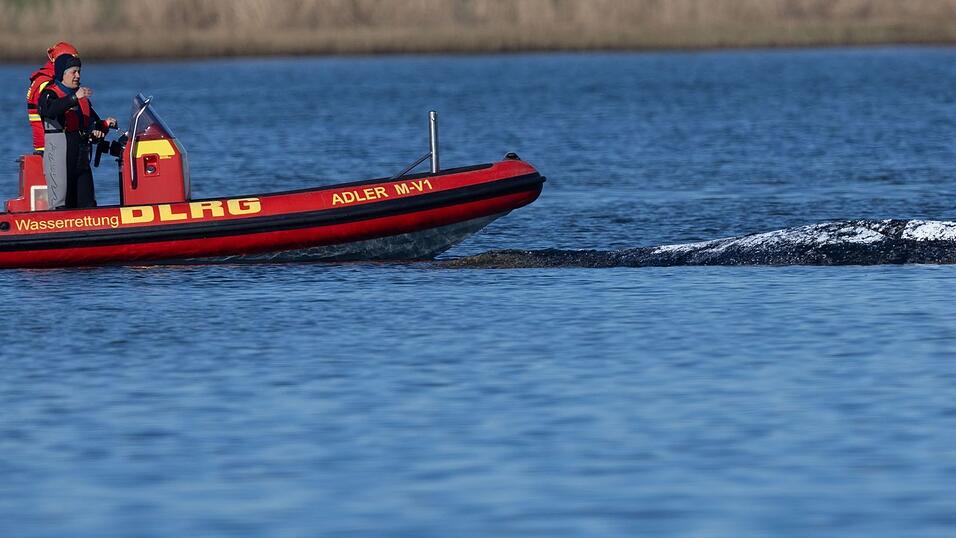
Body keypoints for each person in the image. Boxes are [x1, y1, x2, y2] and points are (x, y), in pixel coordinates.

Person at [38, 54, 117, 210]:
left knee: (88, 203)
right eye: (73, 72)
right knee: (61, 203)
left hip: (80, 157)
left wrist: (101, 127)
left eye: (79, 71)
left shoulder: (82, 97)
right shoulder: (49, 94)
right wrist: (73, 98)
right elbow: (49, 110)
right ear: (62, 73)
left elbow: (91, 122)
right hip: (60, 155)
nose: (78, 76)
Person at [26, 42, 79, 155]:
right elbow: (49, 108)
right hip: (50, 146)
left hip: (53, 144)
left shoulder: (46, 79)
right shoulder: (46, 83)